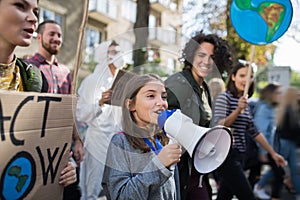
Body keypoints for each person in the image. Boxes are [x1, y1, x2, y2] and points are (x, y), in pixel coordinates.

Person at [0, 0, 76, 188]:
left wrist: (61, 166)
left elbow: (39, 142)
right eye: (20, 5)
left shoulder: (34, 79)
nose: (33, 18)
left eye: (35, 11)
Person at [165, 31, 233, 200]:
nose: (206, 61)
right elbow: (161, 116)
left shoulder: (205, 89)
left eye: (212, 57)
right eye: (201, 55)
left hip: (195, 170)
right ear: (191, 56)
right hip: (177, 168)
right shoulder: (179, 82)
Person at [26, 20, 83, 199]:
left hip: (62, 149)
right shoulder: (27, 68)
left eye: (59, 35)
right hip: (35, 146)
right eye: (52, 34)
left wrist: (78, 140)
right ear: (39, 37)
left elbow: (69, 111)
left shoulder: (65, 72)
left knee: (70, 191)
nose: (56, 38)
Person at [212, 62, 286, 200]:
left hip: (240, 155)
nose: (246, 79)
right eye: (242, 75)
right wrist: (238, 110)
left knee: (224, 196)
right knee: (247, 196)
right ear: (233, 77)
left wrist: (273, 153)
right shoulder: (225, 98)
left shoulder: (245, 102)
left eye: (250, 76)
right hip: (226, 156)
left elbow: (255, 131)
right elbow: (219, 124)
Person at [102, 73, 182, 199]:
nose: (161, 103)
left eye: (164, 97)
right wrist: (159, 165)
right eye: (151, 96)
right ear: (131, 105)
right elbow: (120, 196)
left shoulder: (166, 141)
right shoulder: (120, 142)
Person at [76, 40, 124, 200]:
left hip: (116, 143)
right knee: (92, 188)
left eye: (119, 51)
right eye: (113, 52)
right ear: (104, 55)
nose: (118, 55)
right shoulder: (92, 81)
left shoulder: (122, 82)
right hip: (97, 142)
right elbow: (81, 114)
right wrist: (100, 103)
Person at [252, 83, 282, 199]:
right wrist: (263, 152)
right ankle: (259, 189)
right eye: (278, 93)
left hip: (269, 148)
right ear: (271, 94)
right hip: (264, 148)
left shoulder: (270, 108)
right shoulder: (264, 109)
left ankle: (257, 188)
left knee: (255, 175)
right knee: (279, 174)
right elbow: (260, 131)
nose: (280, 95)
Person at [270, 87, 300, 200]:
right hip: (286, 142)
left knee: (291, 169)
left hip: (288, 142)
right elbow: (292, 129)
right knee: (280, 168)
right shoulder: (289, 110)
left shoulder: (288, 109)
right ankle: (260, 186)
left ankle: (298, 193)